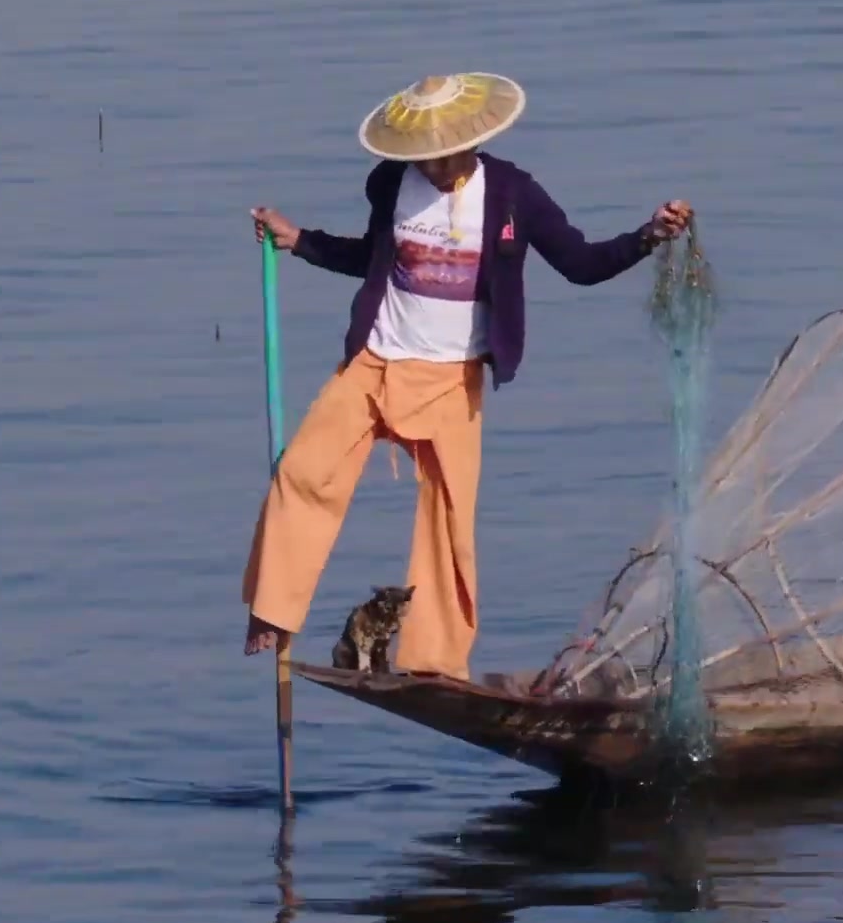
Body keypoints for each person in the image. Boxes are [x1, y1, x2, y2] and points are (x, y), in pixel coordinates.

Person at [240, 72, 694, 679]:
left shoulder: (513, 195)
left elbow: (582, 265)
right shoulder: (390, 183)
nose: (433, 167)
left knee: (448, 523)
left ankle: (433, 662)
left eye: (443, 155)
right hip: (375, 362)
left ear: (470, 142)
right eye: (422, 158)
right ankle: (274, 611)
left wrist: (649, 236)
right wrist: (300, 242)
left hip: (453, 380)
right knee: (304, 472)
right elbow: (373, 259)